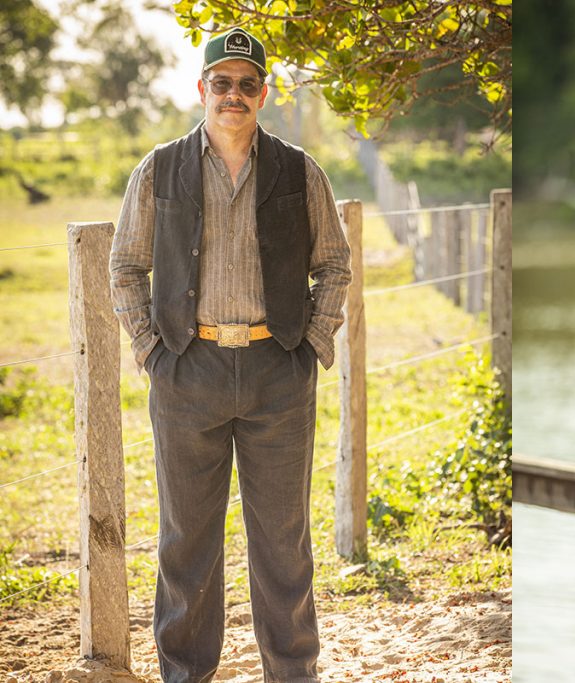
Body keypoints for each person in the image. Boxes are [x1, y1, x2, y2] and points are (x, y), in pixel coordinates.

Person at [109, 27, 351, 682]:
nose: (234, 95)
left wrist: (312, 346)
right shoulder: (159, 170)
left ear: (264, 94)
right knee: (186, 542)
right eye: (222, 82)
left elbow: (334, 264)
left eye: (247, 84)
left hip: (279, 369)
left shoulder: (301, 171)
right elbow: (125, 268)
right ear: (201, 90)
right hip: (189, 368)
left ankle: (292, 673)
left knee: (283, 544)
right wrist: (153, 352)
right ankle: (186, 674)